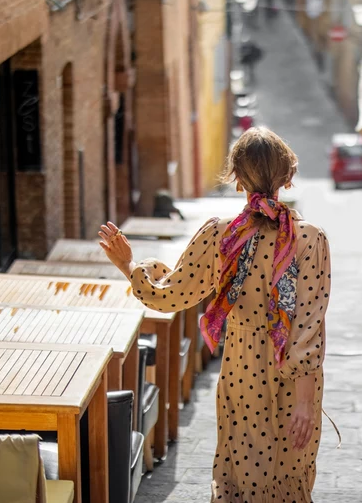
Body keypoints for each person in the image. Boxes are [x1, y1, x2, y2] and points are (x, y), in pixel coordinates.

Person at [98, 127, 331, 502]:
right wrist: (304, 400)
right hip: (297, 382)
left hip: (243, 373)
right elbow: (308, 324)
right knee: (291, 482)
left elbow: (169, 296)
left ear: (237, 180)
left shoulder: (220, 236)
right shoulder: (311, 239)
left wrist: (129, 266)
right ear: (288, 177)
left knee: (240, 477)